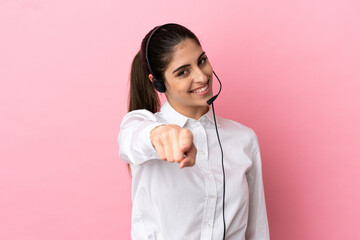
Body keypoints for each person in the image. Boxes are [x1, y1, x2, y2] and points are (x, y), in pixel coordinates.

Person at [118, 23, 270, 240]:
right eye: (183, 72)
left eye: (202, 61)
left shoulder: (244, 139)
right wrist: (160, 134)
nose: (201, 76)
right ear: (159, 83)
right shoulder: (142, 129)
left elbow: (257, 230)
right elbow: (131, 138)